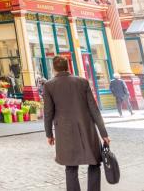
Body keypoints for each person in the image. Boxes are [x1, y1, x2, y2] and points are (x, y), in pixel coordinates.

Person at [43, 55, 110, 191]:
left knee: (70, 166)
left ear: (54, 68)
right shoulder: (82, 81)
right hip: (87, 128)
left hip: (64, 131)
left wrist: (49, 134)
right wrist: (104, 134)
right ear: (67, 66)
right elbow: (94, 109)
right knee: (94, 162)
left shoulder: (49, 85)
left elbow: (48, 112)